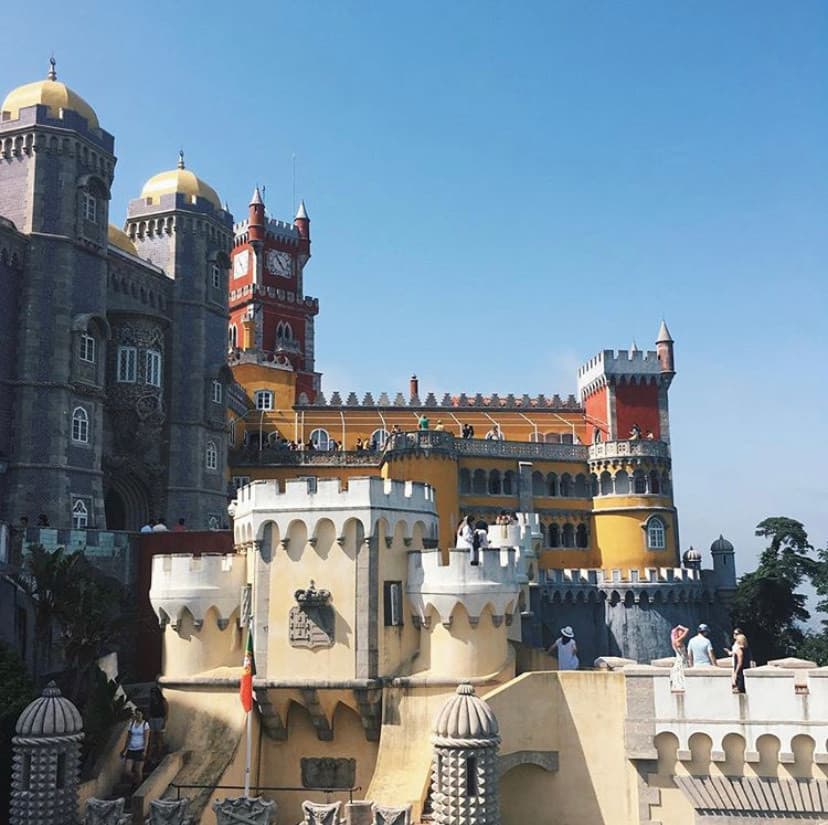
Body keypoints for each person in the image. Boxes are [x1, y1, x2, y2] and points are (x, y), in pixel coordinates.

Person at [121, 708, 149, 786]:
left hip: (140, 749)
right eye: (136, 714)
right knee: (127, 770)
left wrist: (145, 750)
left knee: (138, 770)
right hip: (131, 749)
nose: (138, 716)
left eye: (139, 714)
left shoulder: (145, 725)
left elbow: (146, 738)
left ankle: (138, 785)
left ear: (142, 715)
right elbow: (128, 737)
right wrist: (125, 749)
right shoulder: (132, 724)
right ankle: (135, 780)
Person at [725, 628, 751, 694]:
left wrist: (736, 672)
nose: (735, 635)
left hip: (739, 669)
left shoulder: (739, 649)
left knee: (738, 683)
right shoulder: (746, 649)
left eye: (736, 634)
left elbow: (740, 662)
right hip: (743, 668)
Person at [147, 685, 169, 761]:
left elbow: (166, 713)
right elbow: (149, 711)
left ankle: (160, 754)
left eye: (153, 694)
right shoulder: (151, 702)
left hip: (160, 719)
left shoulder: (163, 701)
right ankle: (149, 756)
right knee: (151, 738)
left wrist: (164, 722)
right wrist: (149, 719)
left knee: (160, 738)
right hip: (153, 720)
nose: (152, 695)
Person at [669, 625, 690, 692]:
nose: (682, 633)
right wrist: (679, 627)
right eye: (680, 632)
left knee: (678, 676)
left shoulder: (674, 642)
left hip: (680, 660)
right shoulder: (678, 641)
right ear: (677, 633)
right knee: (681, 675)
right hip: (681, 660)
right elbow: (687, 630)